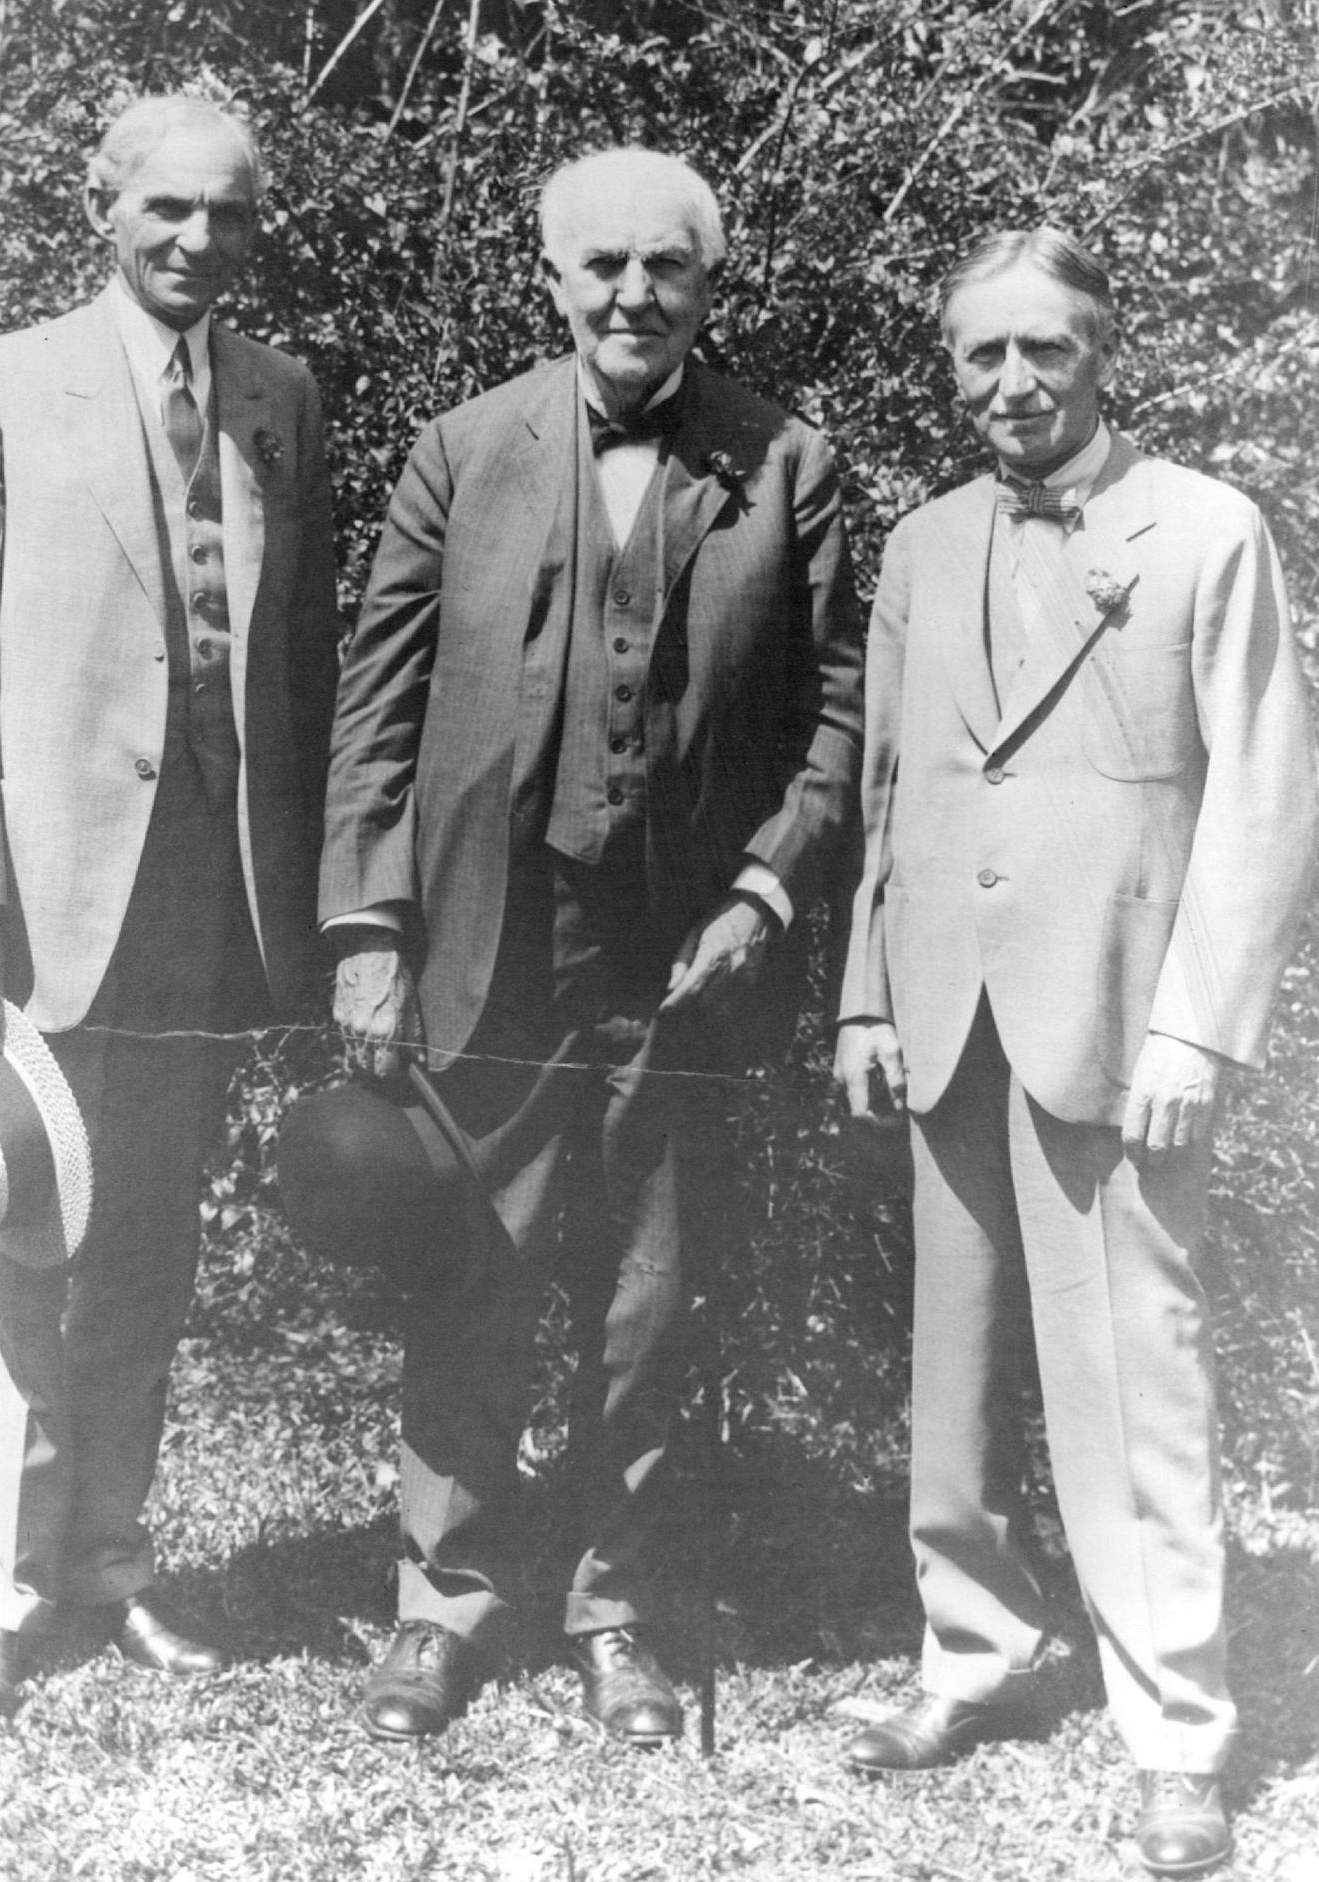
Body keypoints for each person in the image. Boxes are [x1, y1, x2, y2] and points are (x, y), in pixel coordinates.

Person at [320, 146, 864, 1745]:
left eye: (665, 268)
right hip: (494, 931)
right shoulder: (462, 449)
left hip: (689, 948)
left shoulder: (786, 464)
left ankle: (626, 1607)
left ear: (708, 284)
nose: (634, 294)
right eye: (602, 266)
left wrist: (765, 890)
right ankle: (449, 1602)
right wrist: (369, 927)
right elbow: (379, 710)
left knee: (654, 1294)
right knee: (471, 1268)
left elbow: (840, 717)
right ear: (552, 281)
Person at [834, 227, 1317, 1875]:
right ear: (952, 368)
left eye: (1045, 349)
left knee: (1137, 1374)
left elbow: (1265, 794)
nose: (1013, 384)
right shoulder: (919, 544)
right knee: (950, 1372)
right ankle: (972, 1644)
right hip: (946, 1011)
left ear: (1105, 351)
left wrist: (1201, 1017)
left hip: (1120, 1023)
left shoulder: (1208, 530)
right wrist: (865, 995)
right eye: (981, 356)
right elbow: (896, 797)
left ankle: (1177, 1720)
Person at [0, 95, 340, 1733]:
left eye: (226, 214)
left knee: (150, 1233)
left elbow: (302, 668)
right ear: (102, 204)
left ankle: (106, 1560)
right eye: (165, 209)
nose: (196, 241)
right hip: (42, 896)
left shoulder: (283, 396)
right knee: (22, 1224)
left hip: (208, 900)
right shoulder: (2, 381)